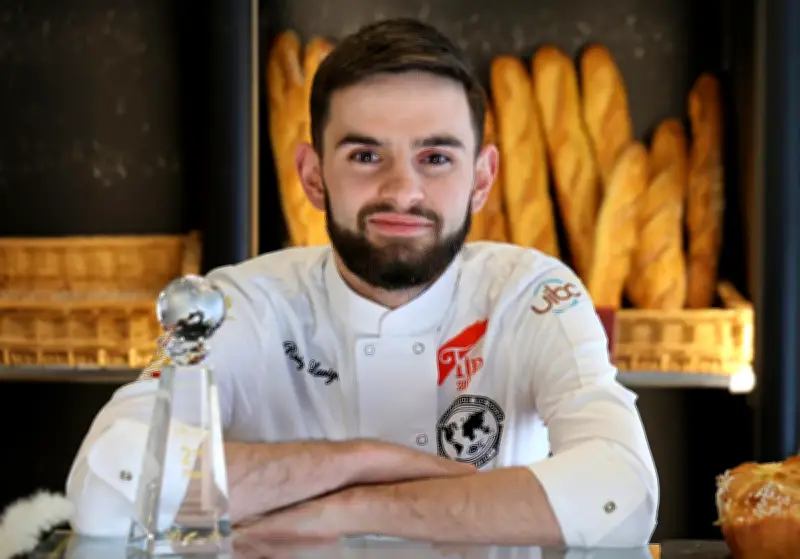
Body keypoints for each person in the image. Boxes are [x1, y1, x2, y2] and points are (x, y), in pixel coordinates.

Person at [66, 18, 659, 548]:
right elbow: (106, 484)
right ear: (313, 175)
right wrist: (364, 460)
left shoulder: (532, 296)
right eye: (366, 156)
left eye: (436, 157)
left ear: (482, 178)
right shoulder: (238, 303)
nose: (403, 190)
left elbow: (623, 493)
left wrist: (354, 508)